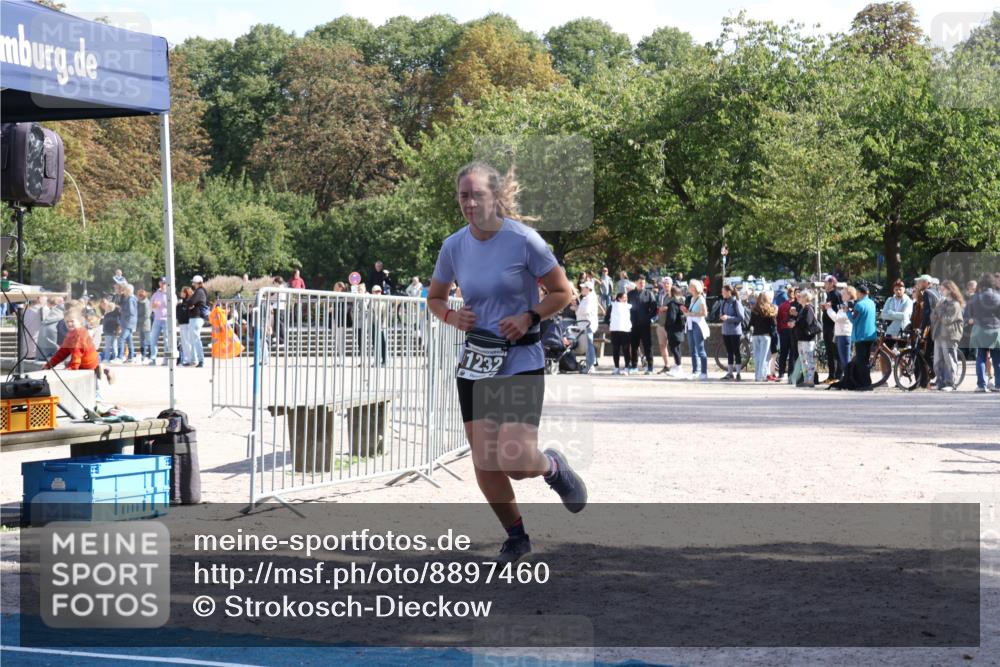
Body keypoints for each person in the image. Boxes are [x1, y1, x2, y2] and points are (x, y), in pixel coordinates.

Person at [425, 161, 586, 564]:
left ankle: (552, 467)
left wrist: (530, 316)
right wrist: (451, 316)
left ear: (495, 197)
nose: (469, 203)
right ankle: (516, 536)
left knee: (515, 461)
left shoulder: (524, 241)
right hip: (476, 363)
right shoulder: (453, 246)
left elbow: (562, 292)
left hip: (520, 359)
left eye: (477, 195)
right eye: (463, 195)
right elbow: (435, 297)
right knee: (484, 459)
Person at [43, 307, 114, 384]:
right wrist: (49, 365)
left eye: (72, 321)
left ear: (80, 321)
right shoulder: (70, 334)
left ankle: (100, 369)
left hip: (88, 362)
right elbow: (62, 352)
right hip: (85, 362)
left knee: (70, 364)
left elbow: (77, 351)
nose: (69, 324)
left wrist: (73, 367)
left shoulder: (80, 333)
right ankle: (103, 369)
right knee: (68, 363)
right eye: (67, 322)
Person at [967, 272, 1000, 393]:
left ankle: (981, 385)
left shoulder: (975, 297)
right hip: (995, 329)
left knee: (980, 357)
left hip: (980, 329)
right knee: (997, 359)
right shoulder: (998, 297)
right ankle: (998, 385)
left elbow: (970, 314)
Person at [930, 280, 965, 391]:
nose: (941, 291)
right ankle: (940, 382)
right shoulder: (942, 303)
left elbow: (947, 320)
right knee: (937, 361)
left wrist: (939, 310)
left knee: (949, 360)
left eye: (943, 289)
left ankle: (950, 383)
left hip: (949, 335)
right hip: (939, 334)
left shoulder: (955, 304)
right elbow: (933, 317)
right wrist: (936, 309)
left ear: (950, 290)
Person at [627, 276, 657, 375]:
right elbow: (626, 308)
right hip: (633, 324)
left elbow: (654, 309)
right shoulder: (630, 294)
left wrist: (648, 318)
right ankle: (634, 366)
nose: (642, 284)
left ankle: (650, 367)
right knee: (634, 346)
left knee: (647, 346)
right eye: (640, 282)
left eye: (643, 283)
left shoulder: (649, 294)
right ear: (636, 282)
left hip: (645, 324)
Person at [682, 279, 709, 380]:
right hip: (690, 324)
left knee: (700, 349)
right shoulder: (693, 298)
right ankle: (695, 371)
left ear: (695, 288)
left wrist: (691, 314)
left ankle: (704, 372)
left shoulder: (701, 299)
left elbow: (705, 313)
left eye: (690, 286)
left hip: (697, 325)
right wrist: (687, 312)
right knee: (692, 349)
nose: (689, 287)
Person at [826, 287, 855, 379]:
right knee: (843, 359)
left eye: (844, 293)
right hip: (840, 334)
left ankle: (849, 379)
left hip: (844, 334)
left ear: (849, 295)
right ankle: (847, 378)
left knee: (845, 359)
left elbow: (837, 318)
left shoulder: (850, 305)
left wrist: (829, 309)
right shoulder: (844, 305)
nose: (841, 295)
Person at [793, 289, 820, 387]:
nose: (798, 297)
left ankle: (810, 380)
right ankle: (806, 380)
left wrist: (795, 323)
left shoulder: (808, 308)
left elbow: (807, 323)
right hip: (801, 338)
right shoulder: (802, 308)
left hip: (807, 339)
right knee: (803, 361)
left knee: (809, 360)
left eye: (801, 296)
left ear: (805, 298)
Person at [719, 283, 746, 381]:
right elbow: (721, 313)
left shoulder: (736, 303)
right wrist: (722, 316)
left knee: (736, 352)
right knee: (729, 352)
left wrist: (728, 318)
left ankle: (738, 373)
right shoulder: (723, 302)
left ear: (729, 292)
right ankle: (730, 373)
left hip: (735, 332)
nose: (722, 293)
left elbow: (741, 317)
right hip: (725, 331)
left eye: (723, 291)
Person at [749, 291, 777, 382]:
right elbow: (773, 324)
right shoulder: (769, 309)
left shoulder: (754, 310)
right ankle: (762, 376)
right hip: (765, 335)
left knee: (757, 356)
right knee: (764, 357)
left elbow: (751, 323)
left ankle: (757, 376)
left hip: (755, 335)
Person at [820, 276, 843, 383]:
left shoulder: (836, 294)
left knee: (835, 352)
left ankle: (838, 376)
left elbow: (840, 310)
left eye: (826, 282)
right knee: (829, 352)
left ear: (831, 283)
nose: (824, 284)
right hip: (827, 327)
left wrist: (829, 307)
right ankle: (831, 376)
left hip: (833, 327)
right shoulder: (829, 294)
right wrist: (824, 308)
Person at [849, 284, 878, 370]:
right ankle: (867, 377)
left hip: (861, 336)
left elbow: (853, 320)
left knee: (861, 361)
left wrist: (847, 312)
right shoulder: (872, 303)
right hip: (870, 336)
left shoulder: (859, 305)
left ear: (859, 293)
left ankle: (863, 378)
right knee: (866, 360)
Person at [574, 282, 599, 373]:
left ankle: (591, 366)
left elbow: (586, 311)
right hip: (584, 325)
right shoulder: (586, 298)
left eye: (583, 288)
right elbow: (580, 312)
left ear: (588, 289)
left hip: (588, 325)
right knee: (589, 346)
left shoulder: (590, 298)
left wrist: (577, 308)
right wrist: (577, 309)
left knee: (589, 346)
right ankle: (591, 365)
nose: (581, 289)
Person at [607, 290, 633, 374]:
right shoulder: (612, 306)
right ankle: (616, 367)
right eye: (623, 297)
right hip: (615, 331)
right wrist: (612, 324)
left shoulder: (629, 307)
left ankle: (627, 368)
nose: (625, 299)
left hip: (626, 331)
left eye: (626, 297)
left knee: (626, 349)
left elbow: (632, 318)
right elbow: (606, 318)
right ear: (618, 298)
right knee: (615, 349)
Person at [663, 285, 686, 377]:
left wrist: (667, 326)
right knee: (677, 348)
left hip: (673, 329)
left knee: (674, 348)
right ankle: (677, 366)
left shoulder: (672, 304)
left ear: (672, 293)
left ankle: (679, 367)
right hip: (679, 329)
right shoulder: (681, 303)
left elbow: (671, 318)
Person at [187, 276, 209, 367]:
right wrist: (191, 305)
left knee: (196, 339)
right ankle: (195, 359)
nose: (192, 284)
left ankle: (201, 360)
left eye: (194, 282)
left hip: (197, 317)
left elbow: (190, 302)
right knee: (194, 339)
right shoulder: (201, 291)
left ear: (197, 283)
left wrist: (191, 304)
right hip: (196, 317)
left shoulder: (199, 291)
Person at [776, 287, 797, 380]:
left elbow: (779, 319)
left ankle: (781, 373)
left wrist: (779, 330)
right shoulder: (796, 305)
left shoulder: (782, 305)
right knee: (792, 353)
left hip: (784, 330)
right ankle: (790, 374)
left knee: (783, 353)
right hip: (793, 330)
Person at [654, 277, 675, 374]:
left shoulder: (674, 294)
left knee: (673, 346)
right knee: (662, 345)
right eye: (664, 283)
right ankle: (667, 365)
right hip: (661, 323)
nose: (666, 285)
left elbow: (678, 305)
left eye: (668, 283)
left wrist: (667, 308)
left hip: (670, 324)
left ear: (671, 284)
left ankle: (677, 366)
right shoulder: (660, 294)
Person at [148, 278, 170, 365]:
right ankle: (153, 359)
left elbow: (173, 305)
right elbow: (151, 306)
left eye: (164, 283)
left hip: (167, 320)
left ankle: (166, 359)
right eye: (161, 282)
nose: (162, 284)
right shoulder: (156, 294)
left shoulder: (170, 293)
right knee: (153, 339)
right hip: (157, 319)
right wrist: (154, 305)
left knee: (167, 340)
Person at [177, 286, 193, 365]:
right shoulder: (181, 301)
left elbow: (186, 311)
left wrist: (180, 305)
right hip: (182, 323)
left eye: (182, 292)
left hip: (187, 323)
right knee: (184, 342)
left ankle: (189, 359)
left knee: (187, 342)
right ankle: (186, 358)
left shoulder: (188, 301)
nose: (181, 293)